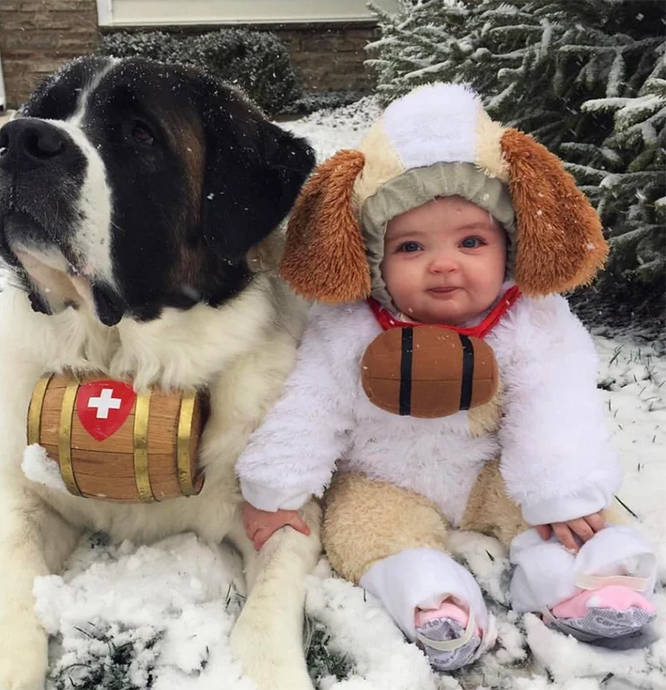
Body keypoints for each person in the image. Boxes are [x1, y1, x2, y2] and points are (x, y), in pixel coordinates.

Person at [235, 83, 658, 671]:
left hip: (488, 470)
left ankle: (580, 579)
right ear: (374, 257)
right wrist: (275, 492)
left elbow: (555, 402)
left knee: (564, 516)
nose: (443, 263)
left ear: (508, 244)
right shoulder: (350, 326)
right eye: (411, 245)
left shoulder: (528, 318)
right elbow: (311, 406)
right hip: (383, 477)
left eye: (470, 241)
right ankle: (427, 595)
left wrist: (560, 488)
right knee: (364, 525)